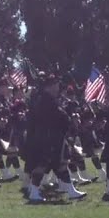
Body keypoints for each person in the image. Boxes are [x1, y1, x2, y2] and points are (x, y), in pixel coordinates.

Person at [23, 74, 85, 202]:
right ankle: (33, 192)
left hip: (54, 137)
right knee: (42, 164)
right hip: (46, 137)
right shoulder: (44, 100)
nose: (58, 88)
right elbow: (54, 117)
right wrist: (67, 117)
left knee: (61, 165)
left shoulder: (49, 99)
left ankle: (71, 191)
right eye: (56, 85)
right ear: (49, 87)